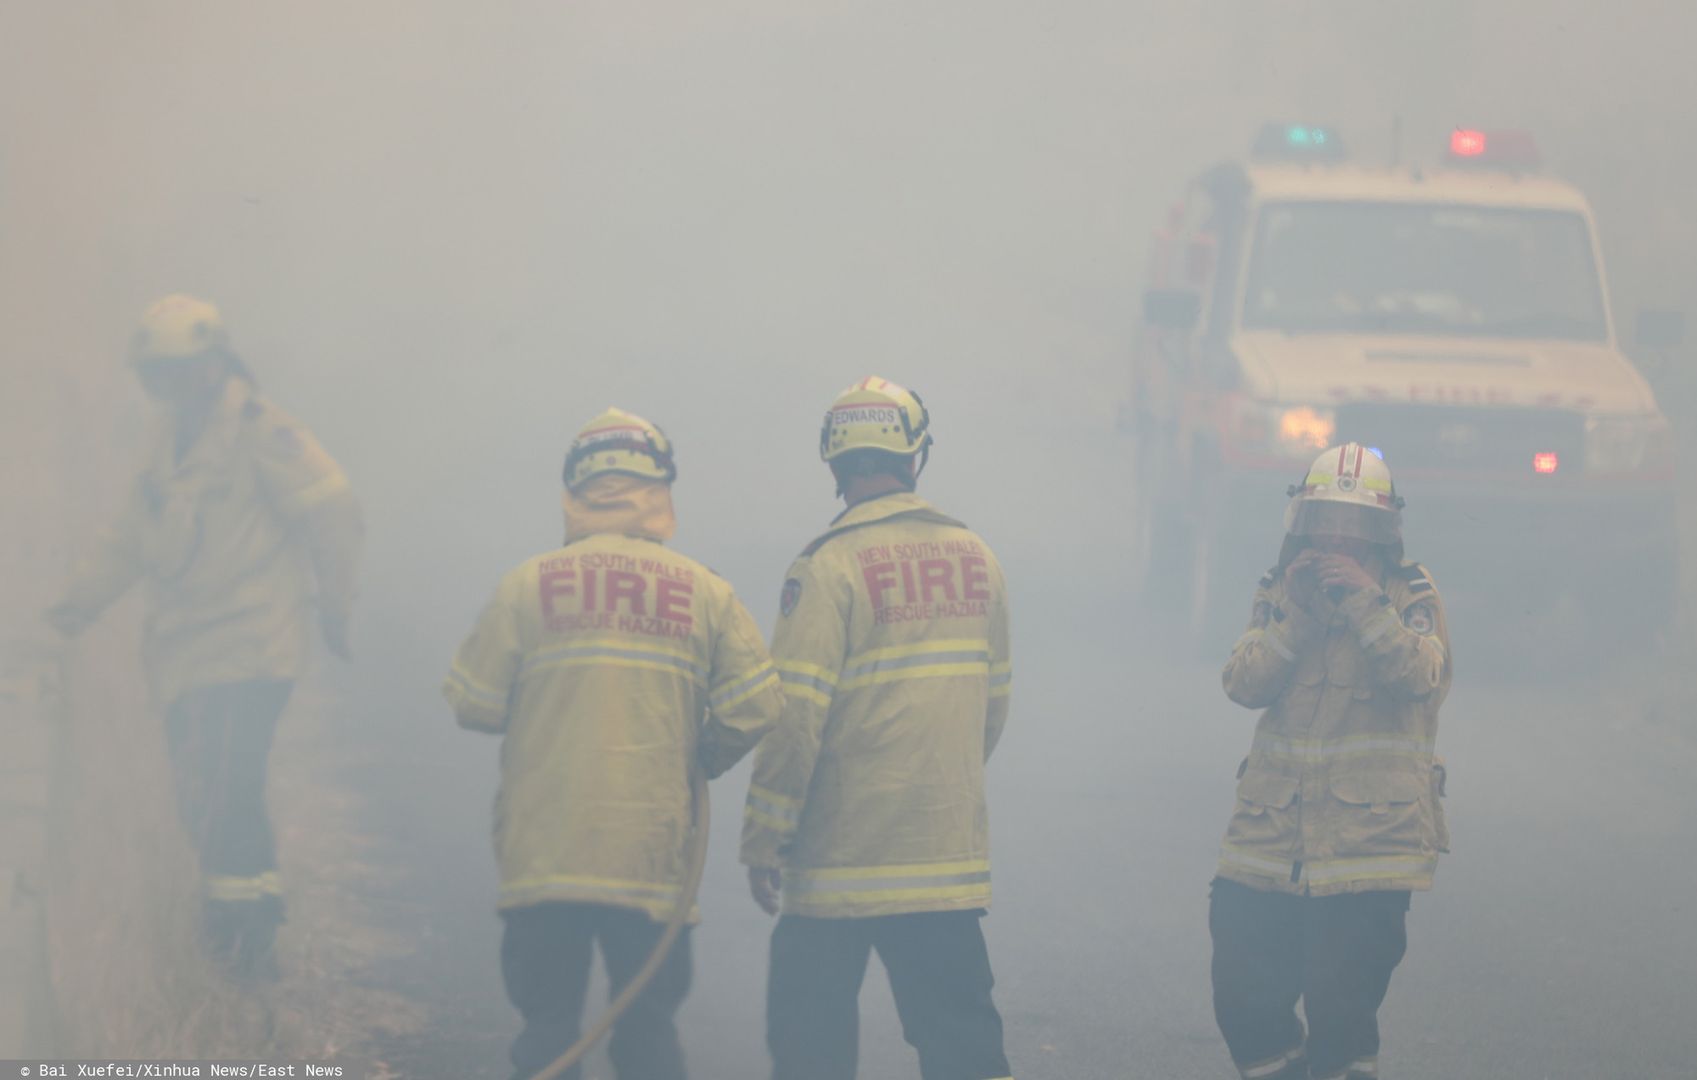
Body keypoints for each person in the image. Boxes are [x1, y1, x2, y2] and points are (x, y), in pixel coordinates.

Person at [444, 407, 782, 1080]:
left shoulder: (526, 584)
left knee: (548, 1028)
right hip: (650, 862)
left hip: (545, 856)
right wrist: (701, 758)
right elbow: (758, 705)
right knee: (647, 1027)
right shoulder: (704, 591)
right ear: (659, 490)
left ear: (575, 488)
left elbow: (474, 705)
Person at [45, 294, 363, 979]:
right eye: (155, 375)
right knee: (201, 789)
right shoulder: (167, 442)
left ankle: (243, 944)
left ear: (215, 363)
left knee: (225, 783)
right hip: (186, 651)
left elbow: (333, 506)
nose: (167, 387)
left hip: (252, 644)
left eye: (180, 372)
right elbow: (128, 539)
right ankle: (250, 917)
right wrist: (71, 610)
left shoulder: (261, 432)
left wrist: (335, 606)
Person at [742, 377, 1015, 1080]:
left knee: (810, 1047)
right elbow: (992, 706)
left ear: (834, 466)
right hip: (940, 859)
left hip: (838, 860)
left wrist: (766, 831)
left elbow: (793, 714)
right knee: (962, 1049)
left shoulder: (827, 566)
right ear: (915, 455)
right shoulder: (977, 558)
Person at [1210, 442, 1452, 1080]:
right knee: (1242, 993)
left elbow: (1422, 675)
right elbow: (1243, 684)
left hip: (1369, 847)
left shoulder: (1409, 595)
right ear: (1303, 526)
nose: (1337, 541)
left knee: (1341, 1019)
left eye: (1354, 528)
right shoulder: (1280, 593)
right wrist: (1297, 617)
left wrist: (1368, 603)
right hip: (1268, 840)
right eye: (1325, 525)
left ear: (1382, 533)